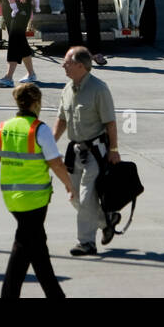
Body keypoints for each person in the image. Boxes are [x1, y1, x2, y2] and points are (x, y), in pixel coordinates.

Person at [0, 81, 75, 298]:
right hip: (35, 200)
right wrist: (69, 185)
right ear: (36, 103)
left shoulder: (3, 128)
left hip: (12, 200)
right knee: (27, 247)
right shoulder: (39, 129)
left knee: (33, 247)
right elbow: (56, 164)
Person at [52, 46, 121, 255]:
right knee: (73, 196)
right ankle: (106, 220)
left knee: (86, 195)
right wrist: (50, 144)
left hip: (95, 152)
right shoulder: (67, 89)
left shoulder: (99, 89)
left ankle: (86, 242)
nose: (63, 65)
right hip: (74, 152)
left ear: (81, 66)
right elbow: (62, 120)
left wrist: (114, 149)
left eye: (67, 62)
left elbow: (110, 122)